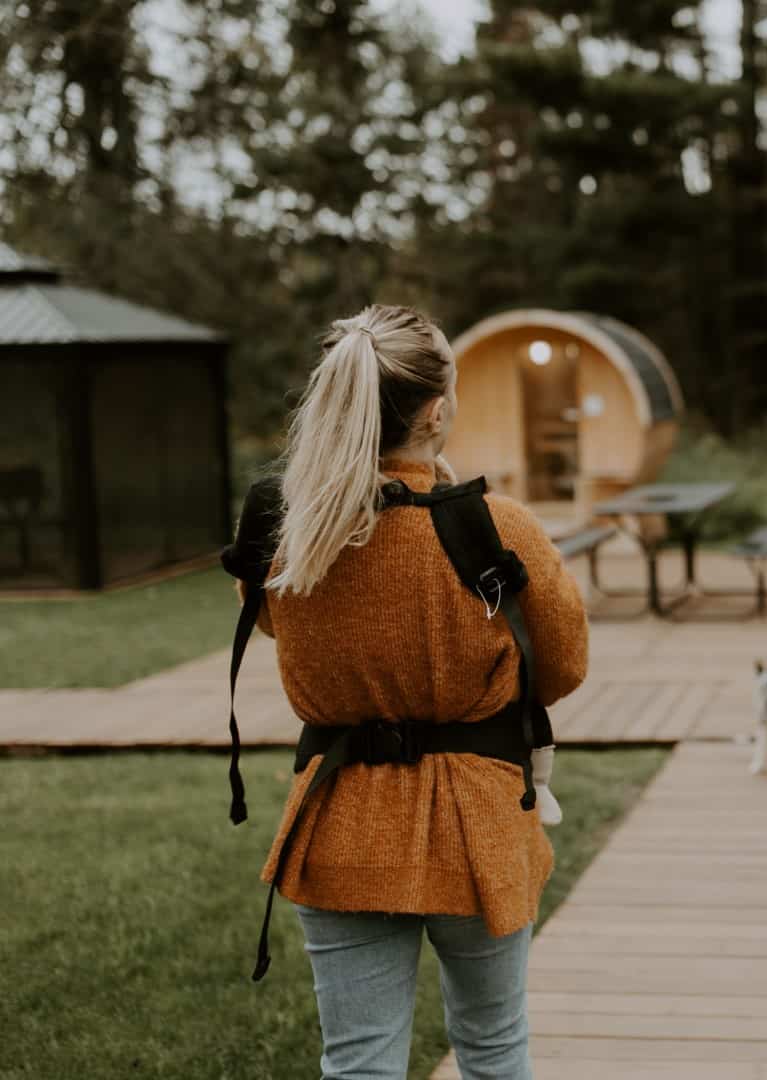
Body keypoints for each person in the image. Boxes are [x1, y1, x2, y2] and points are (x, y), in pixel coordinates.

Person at [233, 304, 588, 1079]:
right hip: (481, 826)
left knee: (358, 1061)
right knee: (495, 1047)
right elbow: (561, 668)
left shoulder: (289, 530)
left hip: (340, 823)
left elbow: (269, 624)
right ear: (436, 412)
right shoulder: (501, 528)